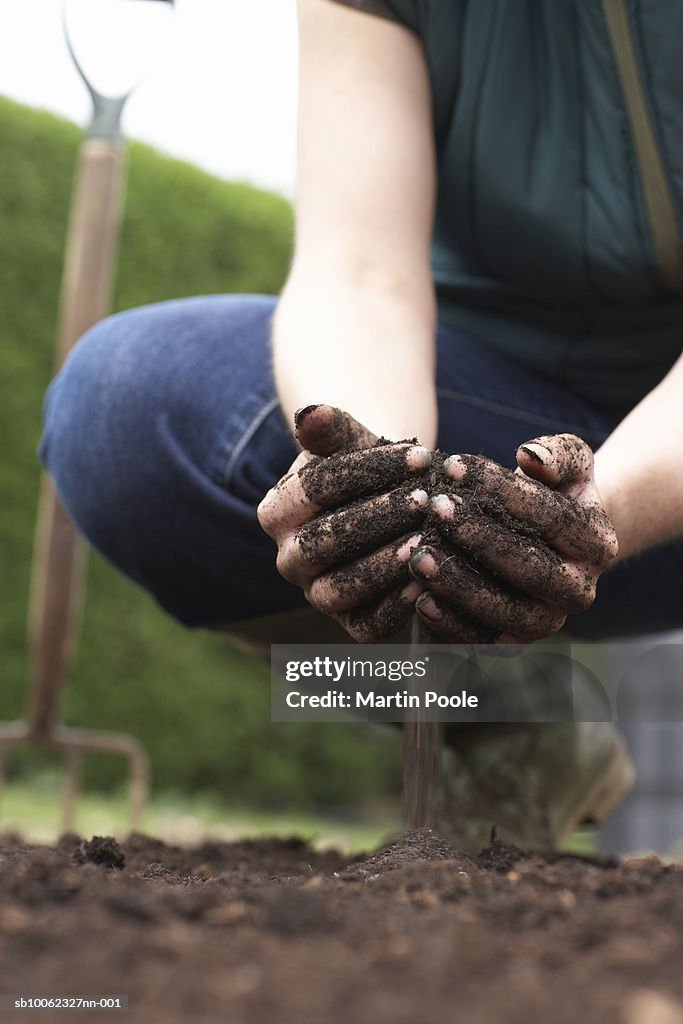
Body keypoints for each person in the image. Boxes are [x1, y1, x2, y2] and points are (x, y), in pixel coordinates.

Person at [39, 0, 683, 849]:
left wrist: (593, 509)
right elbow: (359, 271)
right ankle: (506, 720)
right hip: (503, 403)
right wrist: (383, 491)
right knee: (128, 405)